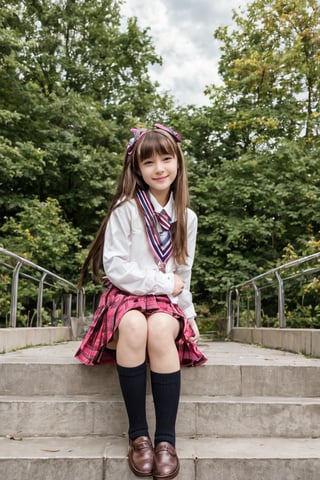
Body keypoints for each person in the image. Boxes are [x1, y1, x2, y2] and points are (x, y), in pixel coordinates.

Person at [75, 123, 207, 479]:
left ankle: (166, 440)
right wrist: (163, 281)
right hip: (126, 295)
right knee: (134, 325)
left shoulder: (187, 218)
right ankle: (138, 436)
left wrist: (189, 313)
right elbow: (115, 266)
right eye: (149, 162)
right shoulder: (126, 208)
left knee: (161, 328)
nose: (159, 168)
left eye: (166, 159)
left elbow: (184, 273)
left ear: (178, 163)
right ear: (137, 169)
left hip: (164, 302)